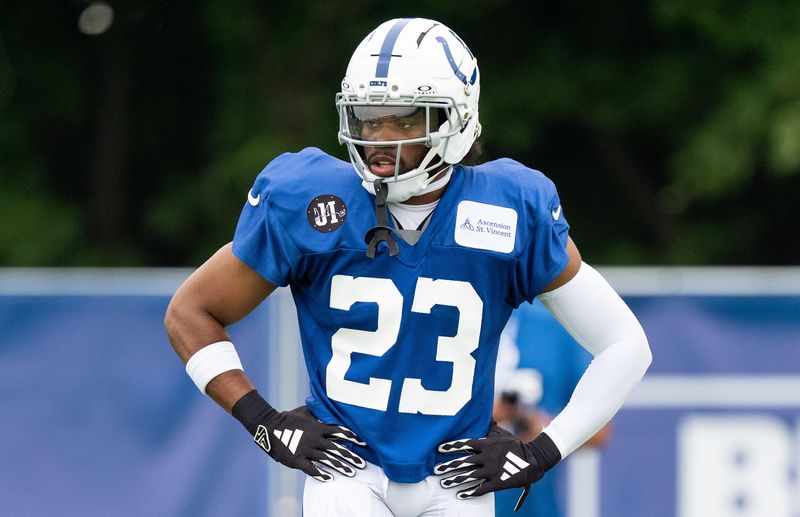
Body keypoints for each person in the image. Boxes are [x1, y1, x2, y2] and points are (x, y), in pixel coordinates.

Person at [164, 17, 651, 517]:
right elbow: (190, 312)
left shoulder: (511, 207)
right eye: (369, 119)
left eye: (404, 120)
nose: (380, 140)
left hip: (458, 476)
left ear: (454, 120)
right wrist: (261, 419)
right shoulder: (308, 198)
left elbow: (625, 345)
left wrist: (542, 451)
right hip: (345, 470)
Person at [492, 301, 612, 517]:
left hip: (532, 507)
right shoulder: (443, 309)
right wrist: (486, 416)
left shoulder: (550, 325)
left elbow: (599, 431)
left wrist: (546, 432)